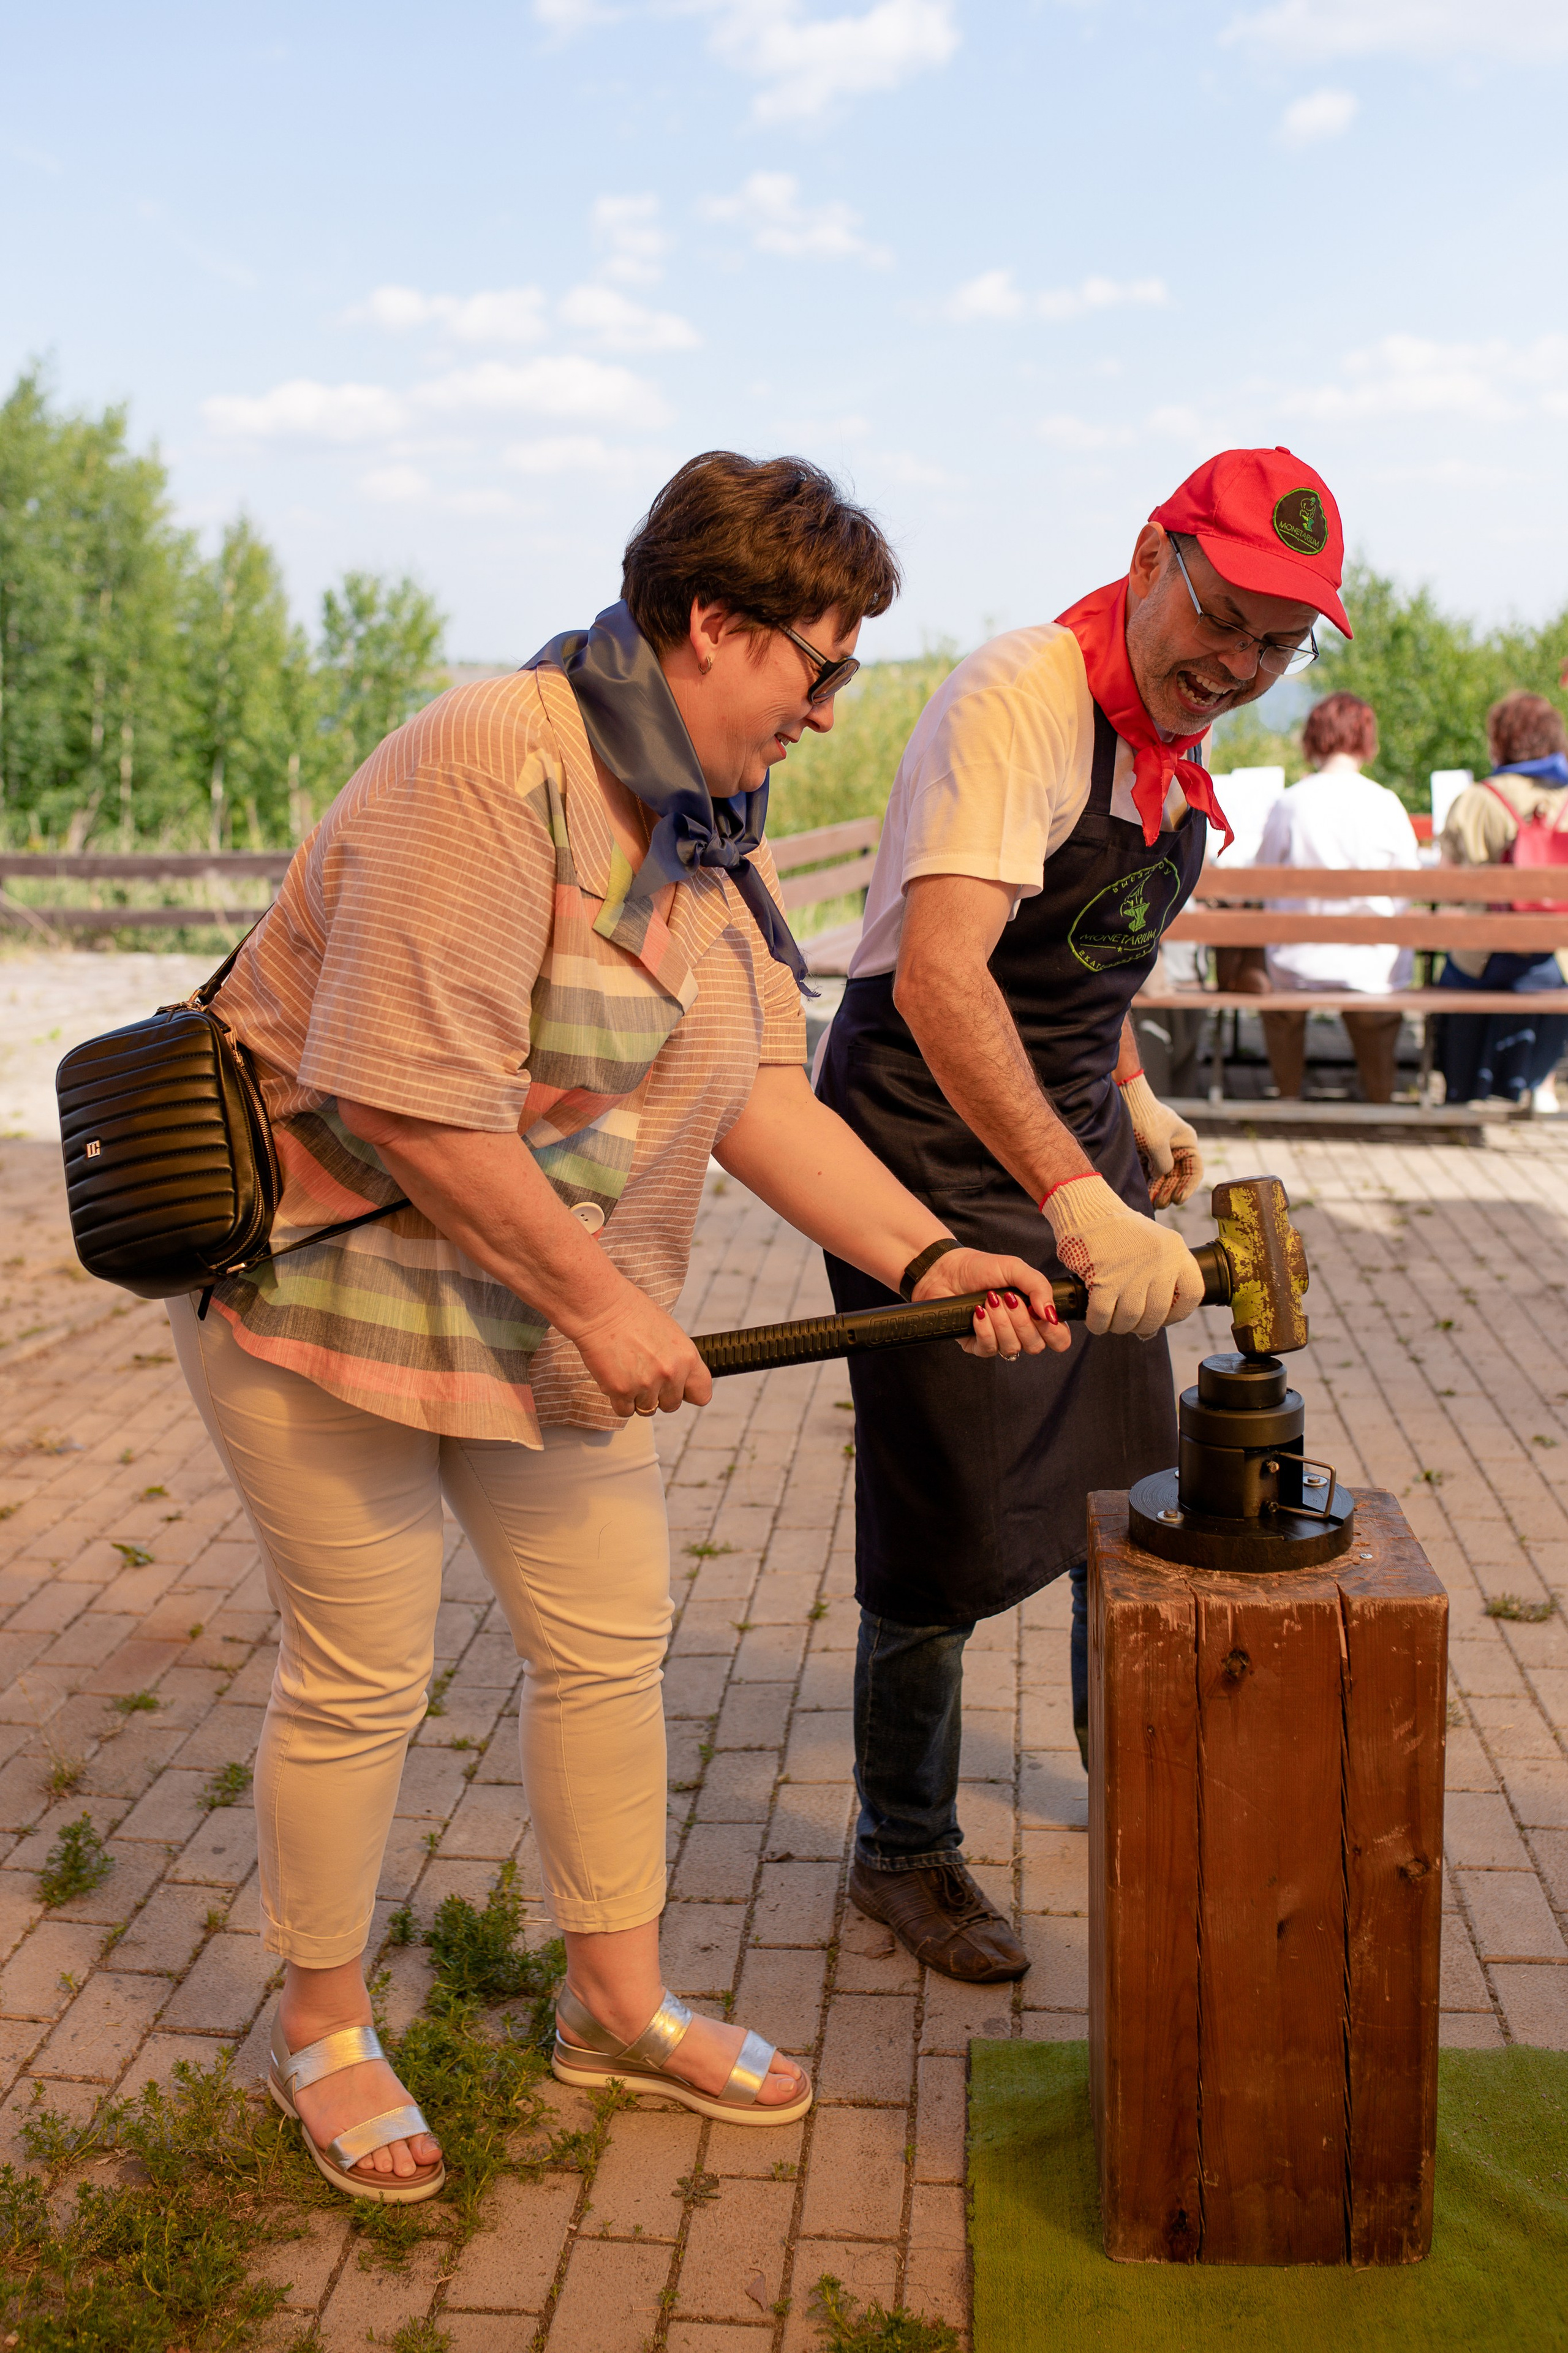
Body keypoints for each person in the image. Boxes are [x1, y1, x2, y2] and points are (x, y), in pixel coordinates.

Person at [167, 452, 1066, 2199]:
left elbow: (754, 1102)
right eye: (821, 664)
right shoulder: (491, 761)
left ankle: (617, 2008)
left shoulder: (706, 841)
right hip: (323, 1295)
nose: (829, 706)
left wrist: (932, 1260)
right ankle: (326, 2034)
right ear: (712, 626)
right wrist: (598, 1294)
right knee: (364, 1676)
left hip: (530, 1328)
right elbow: (413, 1103)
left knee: (609, 1646)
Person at [816, 447, 1348, 1984]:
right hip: (920, 1138)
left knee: (1117, 1490)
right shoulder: (1020, 698)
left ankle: (1127, 1779)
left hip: (1063, 1130)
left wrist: (1137, 1096)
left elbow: (1082, 953)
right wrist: (1074, 1194)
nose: (1235, 665)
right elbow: (940, 974)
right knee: (943, 1515)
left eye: (1275, 644)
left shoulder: (1162, 749)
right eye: (1222, 615)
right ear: (1146, 554)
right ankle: (900, 1845)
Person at [1254, 692, 1420, 1103]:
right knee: (1376, 1011)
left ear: (1314, 738)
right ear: (1366, 739)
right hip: (1371, 967)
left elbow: (1260, 878)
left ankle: (1289, 1094)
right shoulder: (1385, 803)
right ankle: (1380, 1095)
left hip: (1297, 963)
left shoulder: (1291, 803)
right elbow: (1410, 888)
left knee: (1281, 1008)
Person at [1437, 692, 1568, 1109]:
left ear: (1500, 740)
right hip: (1553, 961)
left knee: (1456, 974)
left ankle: (1463, 1088)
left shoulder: (1478, 798)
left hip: (1484, 959)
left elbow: (1444, 887)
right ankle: (1540, 1084)